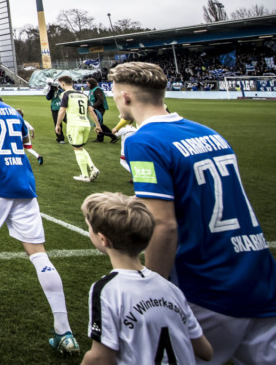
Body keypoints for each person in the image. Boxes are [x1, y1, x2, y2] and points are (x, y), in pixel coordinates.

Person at [110, 61, 276, 364]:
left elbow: (162, 224)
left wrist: (153, 289)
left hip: (208, 283)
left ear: (126, 97)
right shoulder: (209, 133)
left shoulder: (144, 141)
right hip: (258, 274)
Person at [0, 70, 80, 355]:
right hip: (23, 183)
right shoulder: (11, 109)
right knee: (38, 254)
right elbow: (24, 144)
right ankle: (64, 330)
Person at [80, 191, 212, 365]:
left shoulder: (107, 290)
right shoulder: (171, 289)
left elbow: (101, 357)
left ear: (103, 239)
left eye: (89, 226)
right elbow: (205, 351)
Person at [54, 75, 104, 183]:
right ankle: (90, 170)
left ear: (62, 84)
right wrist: (97, 125)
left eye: (60, 84)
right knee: (80, 148)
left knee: (77, 149)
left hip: (74, 124)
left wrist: (57, 124)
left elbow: (62, 111)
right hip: (85, 124)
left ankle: (87, 174)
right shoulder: (82, 94)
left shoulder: (65, 94)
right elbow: (91, 111)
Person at [86, 78, 114, 143]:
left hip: (99, 109)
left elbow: (100, 100)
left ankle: (112, 136)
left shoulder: (97, 89)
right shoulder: (92, 90)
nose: (87, 84)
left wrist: (93, 107)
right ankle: (100, 138)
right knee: (98, 123)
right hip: (96, 108)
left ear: (91, 83)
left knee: (98, 123)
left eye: (88, 83)